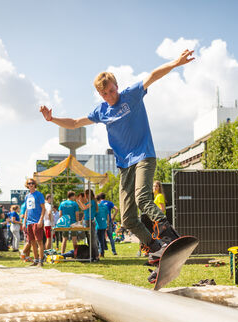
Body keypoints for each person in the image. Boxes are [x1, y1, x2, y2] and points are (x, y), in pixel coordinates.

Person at [40, 49, 195, 280]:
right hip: (124, 165)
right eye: (105, 93)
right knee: (127, 218)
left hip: (143, 156)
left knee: (143, 198)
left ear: (117, 86)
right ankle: (156, 249)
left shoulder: (131, 94)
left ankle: (170, 237)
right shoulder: (101, 111)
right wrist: (52, 119)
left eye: (112, 90)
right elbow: (74, 123)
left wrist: (176, 62)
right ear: (100, 94)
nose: (110, 96)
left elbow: (153, 75)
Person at [24, 178, 46, 266]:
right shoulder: (27, 196)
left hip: (37, 221)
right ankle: (36, 260)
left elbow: (43, 208)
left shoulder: (39, 194)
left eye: (32, 183)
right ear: (27, 185)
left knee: (39, 242)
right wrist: (24, 222)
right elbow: (26, 210)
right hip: (29, 222)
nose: (31, 184)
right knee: (32, 242)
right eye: (29, 183)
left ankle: (41, 261)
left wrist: (41, 220)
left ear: (35, 184)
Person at [77, 189, 99, 260]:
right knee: (89, 240)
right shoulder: (89, 202)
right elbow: (83, 208)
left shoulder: (92, 202)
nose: (85, 196)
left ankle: (96, 256)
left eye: (85, 195)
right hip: (86, 221)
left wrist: (80, 201)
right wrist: (78, 202)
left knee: (92, 240)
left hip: (90, 221)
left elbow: (84, 207)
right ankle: (92, 255)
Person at [95, 194, 110, 258]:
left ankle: (100, 252)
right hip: (104, 224)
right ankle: (102, 252)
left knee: (98, 239)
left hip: (98, 225)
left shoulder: (96, 207)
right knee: (102, 239)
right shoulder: (105, 206)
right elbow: (107, 216)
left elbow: (94, 216)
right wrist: (108, 223)